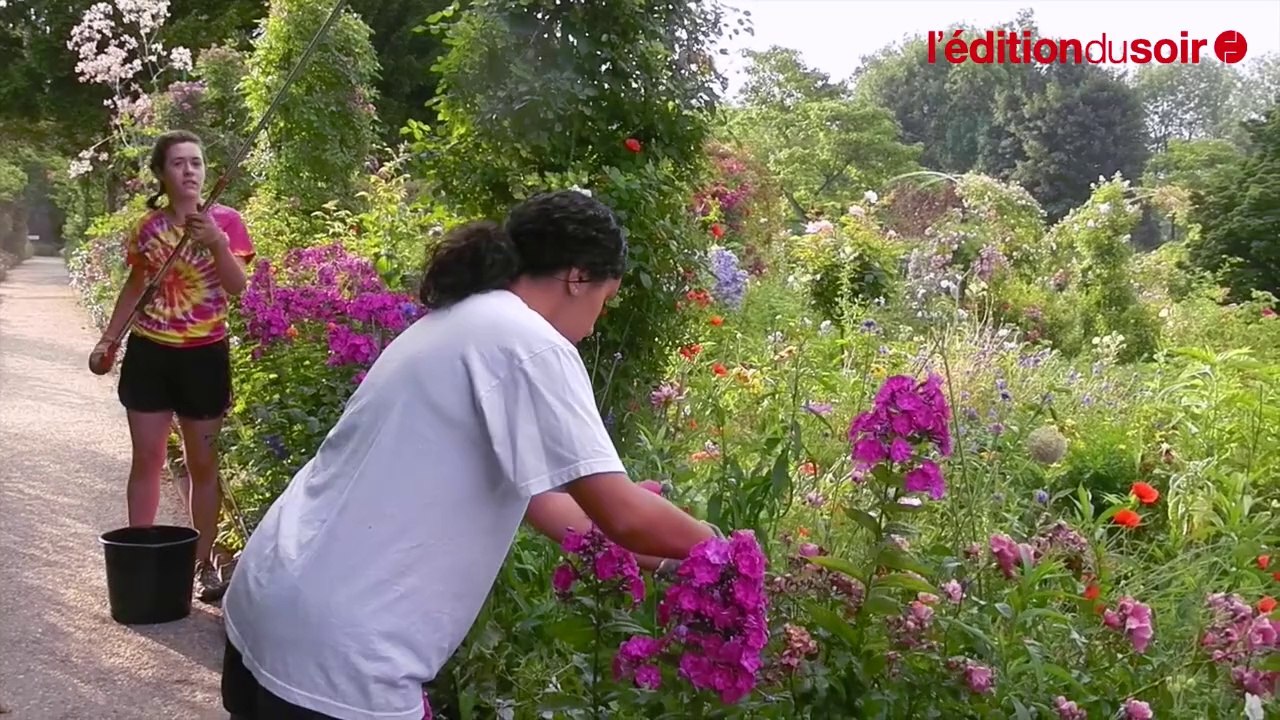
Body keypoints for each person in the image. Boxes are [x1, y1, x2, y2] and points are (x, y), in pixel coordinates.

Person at [219, 190, 716, 720]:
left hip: (271, 603)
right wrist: (721, 551)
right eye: (605, 298)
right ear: (577, 277)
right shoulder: (530, 343)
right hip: (346, 656)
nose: (597, 322)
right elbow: (623, 513)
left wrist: (668, 557)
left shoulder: (460, 320)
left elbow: (550, 507)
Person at [90, 129, 256, 603]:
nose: (189, 171)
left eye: (196, 162)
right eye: (179, 163)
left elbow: (237, 286)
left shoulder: (227, 221)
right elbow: (136, 285)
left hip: (204, 356)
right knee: (147, 458)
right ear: (162, 174)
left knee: (203, 464)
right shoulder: (148, 228)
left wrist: (217, 243)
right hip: (151, 354)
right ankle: (140, 556)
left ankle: (202, 565)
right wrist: (108, 338)